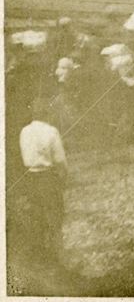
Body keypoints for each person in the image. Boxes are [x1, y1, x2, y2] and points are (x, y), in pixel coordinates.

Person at [18, 97, 68, 261]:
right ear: (47, 113)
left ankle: (42, 256)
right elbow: (60, 160)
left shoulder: (24, 131)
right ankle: (58, 256)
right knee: (55, 214)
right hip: (47, 176)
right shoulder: (51, 131)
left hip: (30, 177)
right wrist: (63, 178)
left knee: (36, 215)